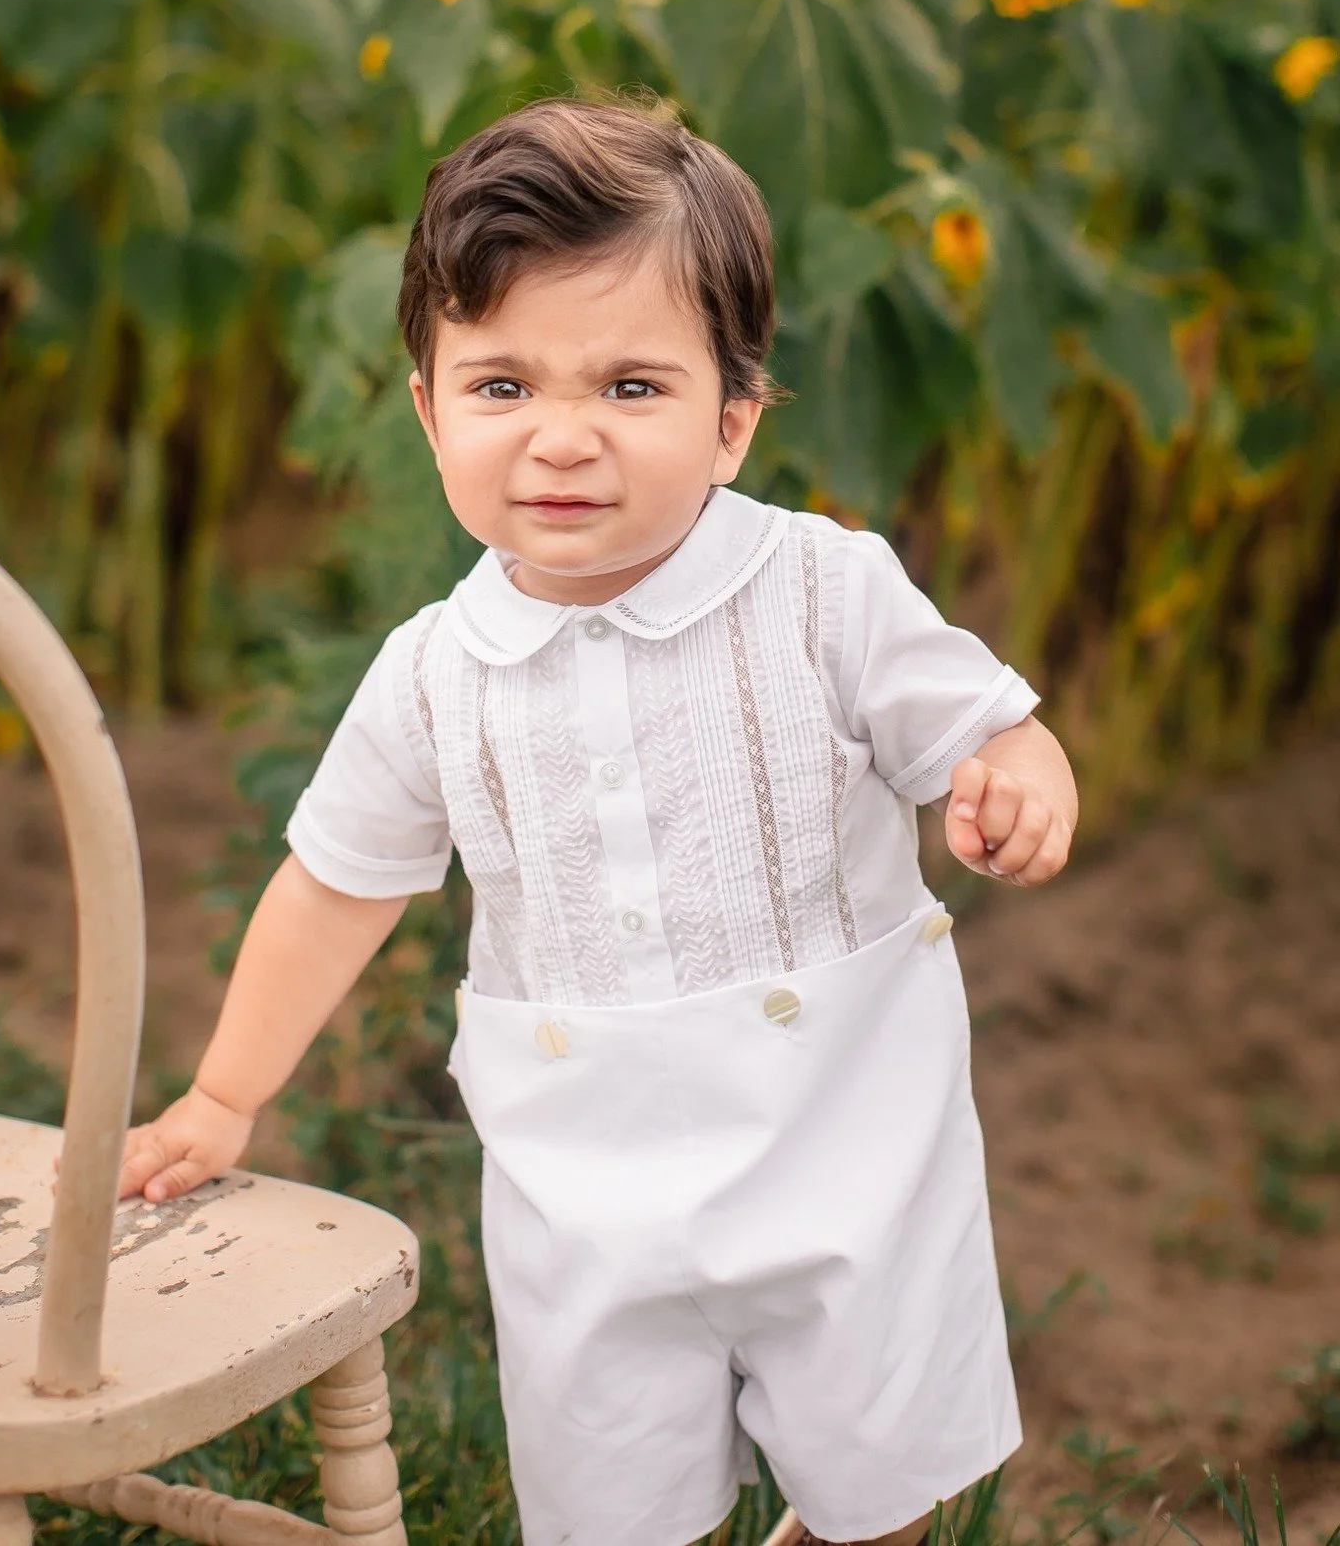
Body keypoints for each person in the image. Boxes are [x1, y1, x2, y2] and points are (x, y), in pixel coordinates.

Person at [119, 95, 1078, 1546]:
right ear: (432, 412)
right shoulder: (436, 672)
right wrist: (227, 1092)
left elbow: (985, 728)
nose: (562, 438)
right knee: (613, 1485)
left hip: (843, 1134)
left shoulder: (825, 590)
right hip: (584, 1170)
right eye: (503, 387)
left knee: (875, 1471)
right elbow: (336, 886)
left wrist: (1013, 778)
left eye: (632, 387)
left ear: (733, 422)